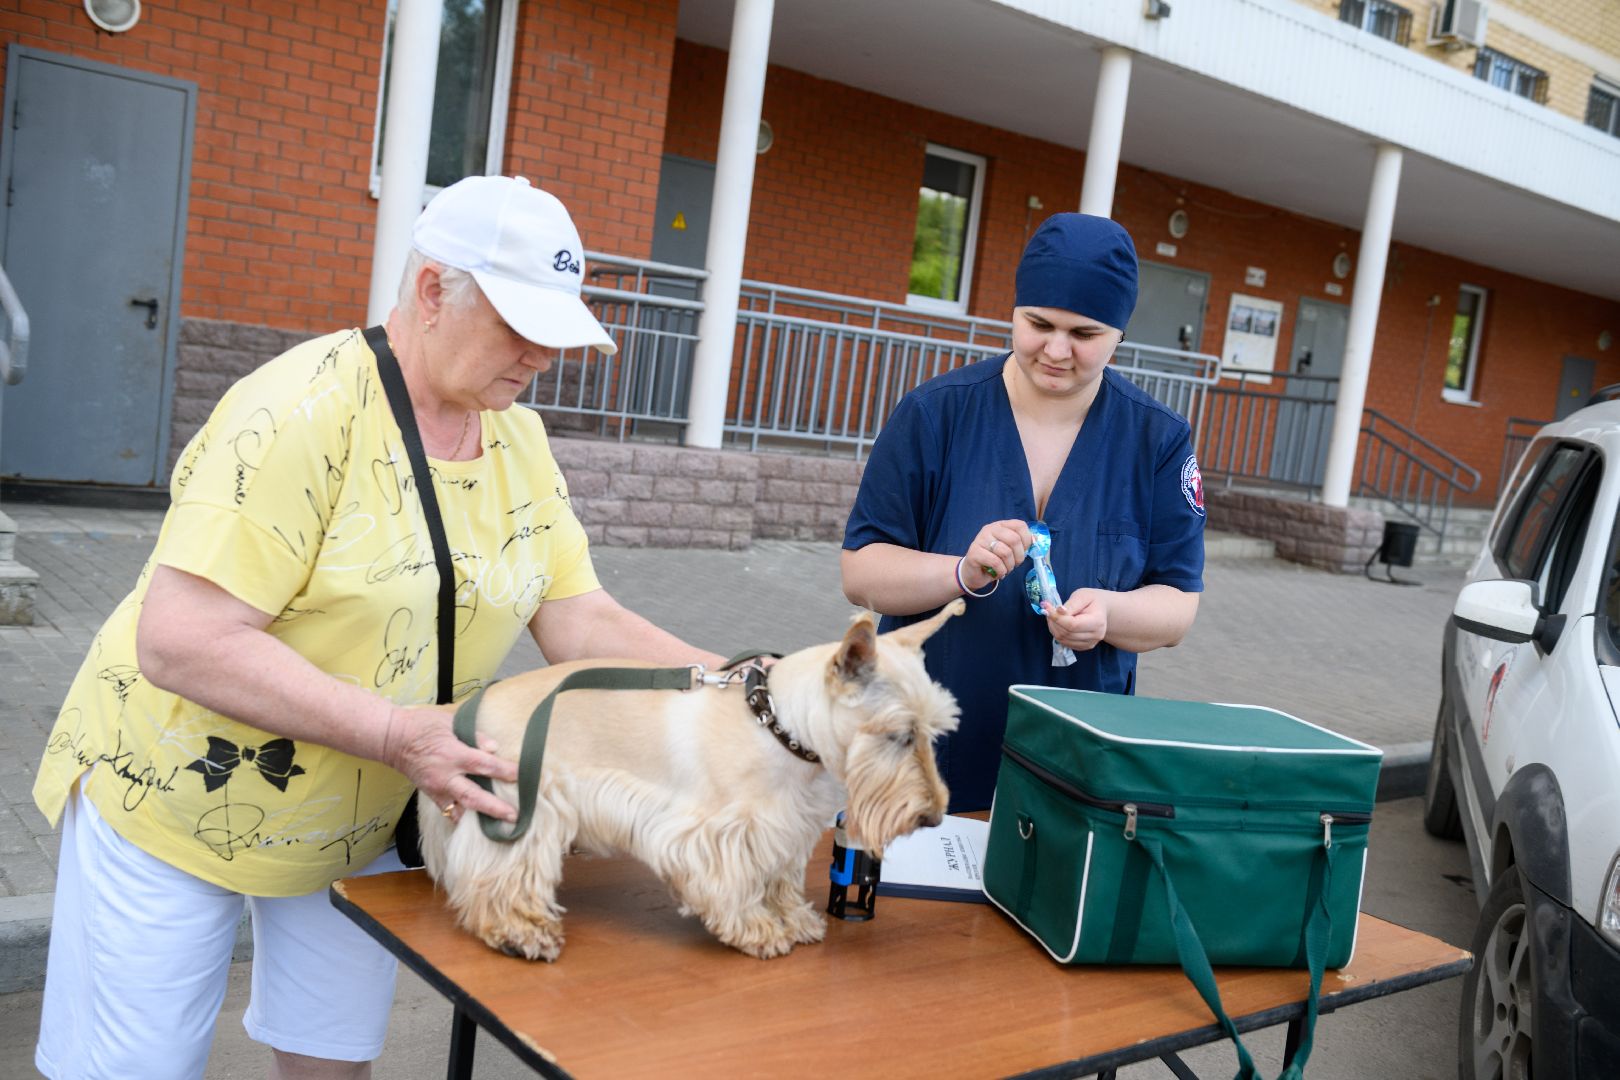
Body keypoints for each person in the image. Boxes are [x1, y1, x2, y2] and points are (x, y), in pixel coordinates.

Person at [31, 175, 725, 1079]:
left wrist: (750, 686)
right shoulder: (299, 412)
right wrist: (401, 734)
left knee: (333, 1062)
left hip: (362, 817)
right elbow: (183, 638)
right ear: (433, 290)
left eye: (557, 331)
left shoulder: (515, 437)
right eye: (521, 325)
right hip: (180, 798)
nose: (543, 356)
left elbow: (579, 618)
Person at [841, 213, 1205, 811]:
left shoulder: (1156, 441)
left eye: (1084, 333)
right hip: (925, 748)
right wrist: (959, 572)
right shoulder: (935, 415)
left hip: (1075, 763)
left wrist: (1109, 614)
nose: (1057, 351)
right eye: (1039, 324)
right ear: (1014, 312)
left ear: (1120, 334)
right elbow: (861, 571)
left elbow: (1177, 606)